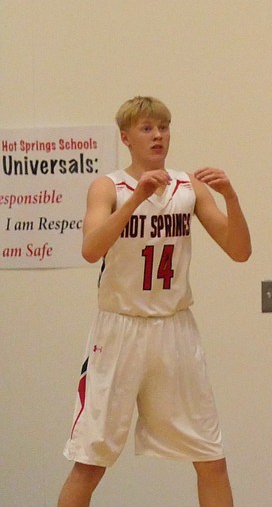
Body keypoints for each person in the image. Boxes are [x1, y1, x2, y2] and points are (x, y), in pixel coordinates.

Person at [57, 96, 252, 507]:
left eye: (163, 126)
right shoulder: (108, 186)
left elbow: (240, 251)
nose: (158, 134)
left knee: (210, 457)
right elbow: (91, 249)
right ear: (126, 137)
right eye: (147, 128)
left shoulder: (189, 187)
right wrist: (134, 201)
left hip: (174, 328)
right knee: (89, 462)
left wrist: (232, 196)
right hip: (118, 330)